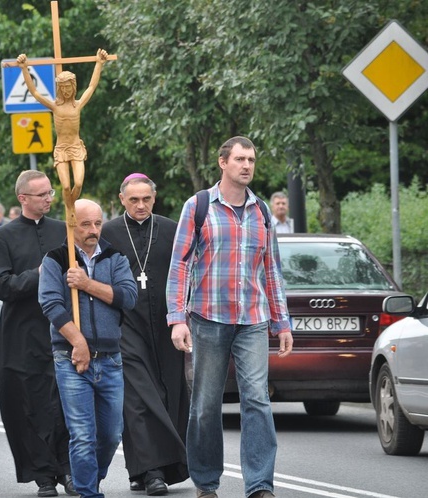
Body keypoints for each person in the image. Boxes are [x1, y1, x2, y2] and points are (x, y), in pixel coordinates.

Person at [166, 136, 294, 498]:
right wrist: (177, 317)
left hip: (252, 319)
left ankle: (259, 485)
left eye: (251, 159)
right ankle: (206, 483)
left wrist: (281, 323)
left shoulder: (262, 212)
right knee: (206, 404)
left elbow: (272, 270)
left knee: (257, 399)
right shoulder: (199, 206)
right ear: (223, 162)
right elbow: (179, 265)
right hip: (207, 318)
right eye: (240, 159)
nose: (247, 165)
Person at [39, 198, 137, 498]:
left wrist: (86, 283)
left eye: (97, 223)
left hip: (110, 358)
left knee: (110, 435)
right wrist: (77, 341)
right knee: (82, 435)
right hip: (70, 359)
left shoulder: (115, 257)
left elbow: (129, 297)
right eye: (85, 224)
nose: (93, 230)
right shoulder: (56, 259)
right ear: (71, 225)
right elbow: (51, 304)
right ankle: (87, 492)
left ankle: (90, 479)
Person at [101, 173, 190, 495]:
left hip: (168, 325)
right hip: (127, 325)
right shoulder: (108, 232)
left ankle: (152, 468)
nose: (141, 205)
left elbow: (186, 272)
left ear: (155, 198)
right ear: (122, 199)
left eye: (146, 199)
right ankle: (152, 472)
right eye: (134, 200)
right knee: (138, 399)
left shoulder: (171, 229)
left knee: (170, 395)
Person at [0, 170, 73, 497]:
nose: (49, 198)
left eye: (50, 193)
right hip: (21, 334)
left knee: (64, 404)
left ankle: (68, 469)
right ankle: (43, 475)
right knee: (27, 406)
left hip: (62, 328)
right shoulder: (3, 237)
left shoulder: (64, 231)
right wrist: (39, 275)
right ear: (23, 198)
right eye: (41, 195)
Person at [16, 50, 108, 215]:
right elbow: (35, 92)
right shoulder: (54, 106)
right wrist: (24, 68)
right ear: (59, 88)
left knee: (78, 183)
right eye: (63, 88)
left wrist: (99, 63)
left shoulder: (77, 105)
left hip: (75, 147)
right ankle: (70, 210)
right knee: (66, 186)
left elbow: (92, 86)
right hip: (61, 149)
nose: (66, 91)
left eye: (69, 87)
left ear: (73, 87)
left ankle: (70, 207)